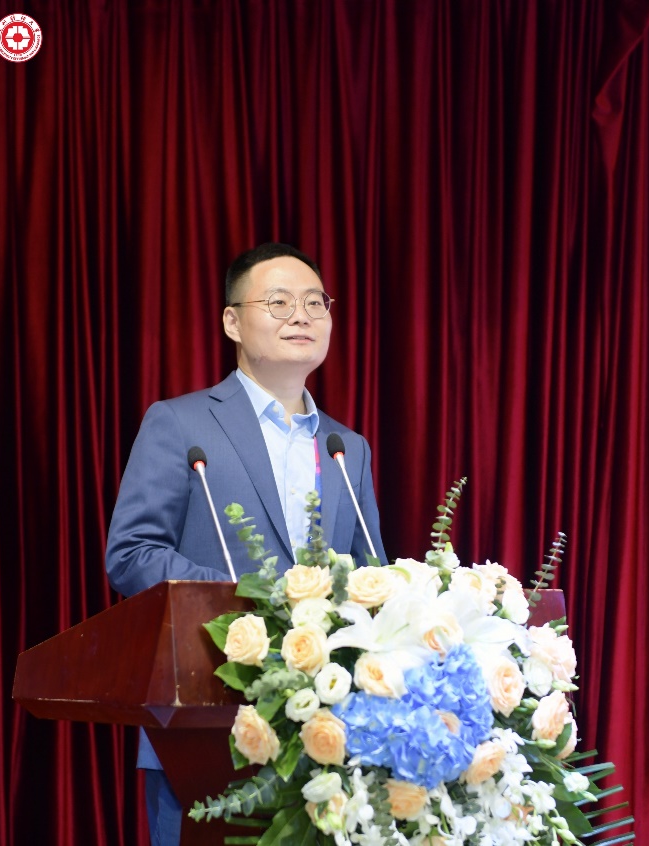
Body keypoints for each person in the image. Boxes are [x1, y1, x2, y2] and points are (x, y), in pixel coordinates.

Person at [105, 242, 386, 845]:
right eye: (278, 302)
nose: (301, 316)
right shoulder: (180, 423)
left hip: (329, 737)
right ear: (233, 321)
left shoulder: (347, 448)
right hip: (206, 722)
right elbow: (131, 554)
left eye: (316, 303)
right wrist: (258, 603)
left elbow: (372, 577)